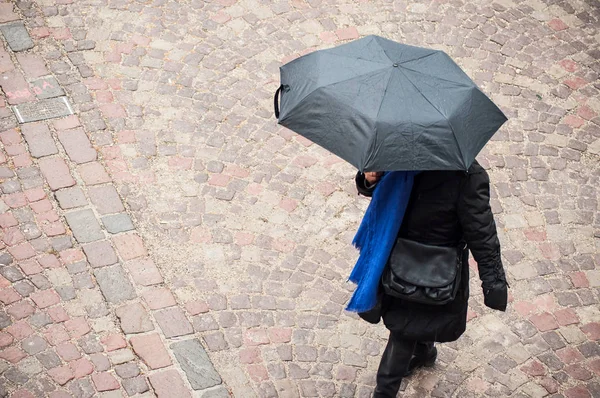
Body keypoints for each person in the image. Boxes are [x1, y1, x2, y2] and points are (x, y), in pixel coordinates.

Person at [354, 161, 509, 398]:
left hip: (438, 270)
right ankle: (422, 355)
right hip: (400, 261)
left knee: (405, 331)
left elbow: (482, 233)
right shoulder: (399, 159)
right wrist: (369, 180)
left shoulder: (467, 176)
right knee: (408, 327)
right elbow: (380, 194)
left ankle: (387, 389)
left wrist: (494, 283)